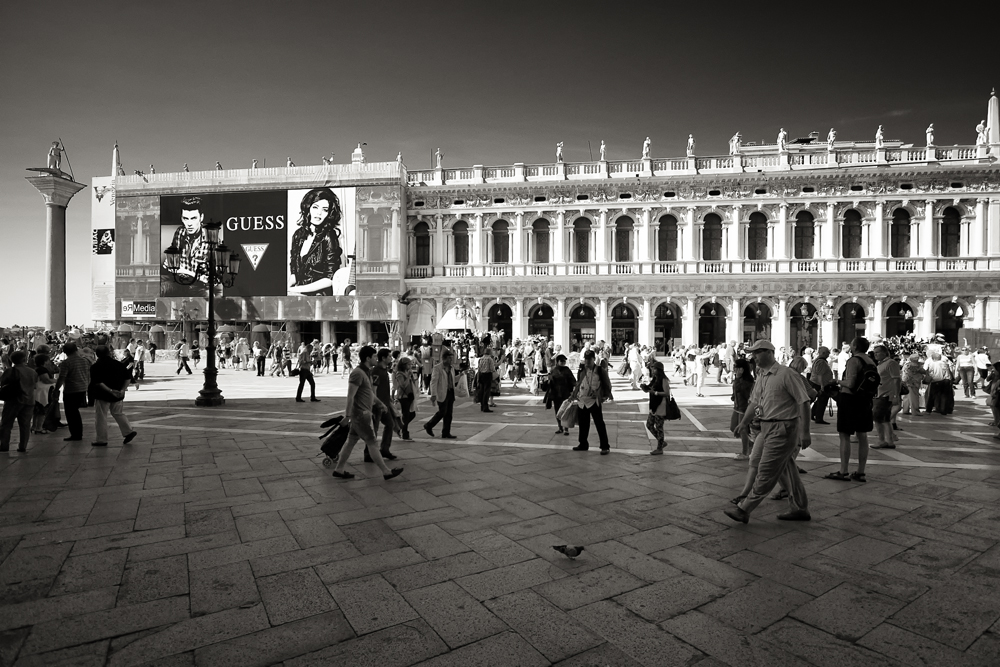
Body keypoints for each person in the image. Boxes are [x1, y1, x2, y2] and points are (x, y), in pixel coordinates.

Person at [724, 339, 811, 524]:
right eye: (752, 353)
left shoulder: (786, 374)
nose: (753, 356)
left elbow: (804, 401)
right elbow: (754, 402)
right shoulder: (762, 376)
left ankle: (744, 509)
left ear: (769, 353)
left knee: (766, 469)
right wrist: (744, 423)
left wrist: (805, 432)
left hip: (783, 428)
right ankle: (800, 508)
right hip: (766, 427)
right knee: (785, 469)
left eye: (757, 352)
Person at [331, 345, 403, 480]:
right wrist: (347, 416)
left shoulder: (366, 373)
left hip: (362, 414)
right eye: (374, 356)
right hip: (361, 415)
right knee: (372, 442)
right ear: (368, 358)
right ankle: (386, 471)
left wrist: (380, 403)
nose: (377, 358)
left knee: (351, 441)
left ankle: (339, 469)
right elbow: (350, 396)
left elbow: (368, 393)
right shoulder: (357, 373)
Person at [825, 337, 876, 483]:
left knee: (844, 434)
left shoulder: (854, 361)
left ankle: (844, 470)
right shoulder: (870, 361)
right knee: (862, 435)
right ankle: (861, 472)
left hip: (850, 399)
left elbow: (851, 383)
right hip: (865, 400)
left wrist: (836, 381)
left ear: (855, 346)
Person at [289, 188, 344, 296]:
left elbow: (330, 279)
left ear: (329, 214)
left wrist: (297, 290)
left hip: (320, 296)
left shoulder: (329, 236)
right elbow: (294, 274)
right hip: (299, 293)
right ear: (308, 208)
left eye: (325, 210)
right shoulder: (298, 235)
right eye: (315, 207)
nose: (319, 213)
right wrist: (286, 288)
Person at [162, 197, 213, 297]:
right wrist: (170, 263)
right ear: (182, 218)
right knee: (159, 285)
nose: (189, 224)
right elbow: (172, 260)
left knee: (208, 295)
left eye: (193, 218)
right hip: (178, 280)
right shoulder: (180, 232)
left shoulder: (210, 238)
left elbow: (212, 274)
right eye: (185, 218)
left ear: (201, 217)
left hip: (197, 284)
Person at [89, 346, 138, 447]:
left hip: (103, 395)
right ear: (109, 353)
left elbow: (98, 382)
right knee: (118, 413)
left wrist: (110, 391)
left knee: (101, 417)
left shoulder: (95, 366)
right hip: (118, 395)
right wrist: (122, 390)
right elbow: (127, 378)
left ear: (97, 354)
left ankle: (101, 439)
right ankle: (128, 431)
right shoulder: (118, 364)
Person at [569, 349, 614, 454]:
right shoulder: (581, 369)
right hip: (582, 401)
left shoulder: (599, 370)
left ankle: (605, 446)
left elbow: (607, 384)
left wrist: (604, 396)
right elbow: (579, 382)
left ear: (594, 359)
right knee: (583, 424)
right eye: (586, 359)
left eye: (590, 359)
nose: (588, 361)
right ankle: (583, 444)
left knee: (599, 423)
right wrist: (574, 395)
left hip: (594, 401)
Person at [1, 350, 38, 452]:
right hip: (29, 400)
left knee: (7, 423)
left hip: (13, 400)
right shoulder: (32, 372)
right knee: (25, 425)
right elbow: (35, 384)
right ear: (24, 359)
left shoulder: (9, 371)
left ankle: (4, 445)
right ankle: (23, 446)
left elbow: (3, 383)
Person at [367, 348, 398, 462]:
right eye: (389, 356)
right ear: (383, 358)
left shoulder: (384, 370)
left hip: (385, 403)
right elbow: (373, 389)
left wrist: (389, 398)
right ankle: (368, 453)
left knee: (390, 424)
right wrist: (376, 403)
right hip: (377, 405)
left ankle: (385, 449)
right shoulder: (376, 371)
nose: (391, 358)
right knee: (373, 430)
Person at [56, 342, 90, 442]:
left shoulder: (66, 363)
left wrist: (56, 389)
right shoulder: (85, 361)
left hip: (71, 389)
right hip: (82, 388)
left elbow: (62, 377)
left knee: (71, 413)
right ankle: (78, 432)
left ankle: (75, 434)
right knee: (75, 411)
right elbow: (88, 375)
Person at [871, 344, 901, 450]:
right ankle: (889, 441)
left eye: (878, 352)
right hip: (880, 393)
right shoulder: (880, 364)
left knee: (877, 418)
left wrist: (895, 395)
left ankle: (881, 440)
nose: (876, 354)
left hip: (885, 395)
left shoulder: (891, 363)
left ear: (885, 352)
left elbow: (896, 379)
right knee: (885, 419)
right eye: (874, 353)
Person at [424, 349, 458, 439]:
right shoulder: (437, 368)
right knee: (442, 412)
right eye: (450, 359)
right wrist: (433, 394)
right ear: (445, 359)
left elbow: (453, 380)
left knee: (449, 414)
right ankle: (429, 425)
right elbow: (434, 381)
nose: (452, 361)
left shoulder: (452, 368)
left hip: (450, 392)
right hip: (442, 393)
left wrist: (461, 376)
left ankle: (446, 432)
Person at [642, 361, 671, 455]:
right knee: (649, 425)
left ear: (659, 370)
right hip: (654, 405)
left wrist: (656, 393)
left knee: (659, 427)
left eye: (654, 369)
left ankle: (660, 448)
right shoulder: (655, 379)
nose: (653, 370)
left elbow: (666, 392)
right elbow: (650, 389)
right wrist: (645, 388)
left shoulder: (663, 379)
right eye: (652, 368)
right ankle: (661, 442)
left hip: (661, 405)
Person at [730, 358, 755, 460]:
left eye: (736, 367)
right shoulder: (737, 378)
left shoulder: (746, 382)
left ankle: (745, 453)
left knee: (742, 430)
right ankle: (750, 443)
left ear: (742, 369)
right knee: (733, 427)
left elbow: (749, 397)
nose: (734, 369)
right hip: (737, 406)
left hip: (743, 408)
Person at [548, 354, 576, 435]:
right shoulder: (553, 370)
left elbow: (572, 380)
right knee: (558, 411)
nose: (563, 362)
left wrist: (574, 389)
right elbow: (550, 382)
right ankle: (560, 427)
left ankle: (566, 429)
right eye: (561, 361)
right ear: (557, 362)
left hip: (565, 393)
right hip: (556, 394)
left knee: (566, 411)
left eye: (564, 361)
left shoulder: (567, 370)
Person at [30, 354, 56, 435]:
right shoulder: (42, 370)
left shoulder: (37, 369)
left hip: (36, 392)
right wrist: (56, 381)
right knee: (42, 410)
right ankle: (39, 427)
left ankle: (34, 426)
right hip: (42, 393)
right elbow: (46, 380)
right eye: (48, 360)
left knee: (36, 411)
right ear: (44, 361)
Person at [809, 346, 834, 424]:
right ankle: (819, 418)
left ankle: (813, 414)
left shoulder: (818, 360)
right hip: (819, 384)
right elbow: (820, 375)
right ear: (823, 353)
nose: (829, 354)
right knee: (822, 401)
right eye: (827, 352)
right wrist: (822, 386)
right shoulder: (821, 362)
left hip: (816, 383)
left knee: (818, 400)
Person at [394, 357, 416, 441]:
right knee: (406, 415)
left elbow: (413, 382)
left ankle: (402, 426)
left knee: (412, 414)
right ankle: (405, 433)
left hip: (409, 395)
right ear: (404, 365)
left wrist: (412, 377)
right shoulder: (399, 374)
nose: (410, 366)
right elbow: (402, 385)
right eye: (408, 364)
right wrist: (408, 376)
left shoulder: (407, 372)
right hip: (403, 397)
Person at [477, 348, 495, 412]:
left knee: (482, 390)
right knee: (486, 391)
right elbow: (492, 369)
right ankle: (485, 407)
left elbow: (479, 368)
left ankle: (482, 406)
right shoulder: (490, 359)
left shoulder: (481, 358)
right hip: (487, 375)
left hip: (481, 375)